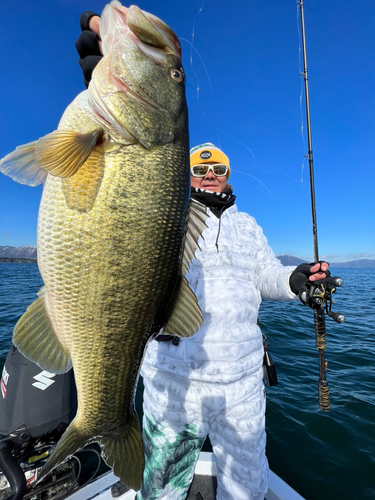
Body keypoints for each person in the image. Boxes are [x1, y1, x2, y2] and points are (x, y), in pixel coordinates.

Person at [76, 14, 329, 500]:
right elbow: (126, 203)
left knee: (247, 486)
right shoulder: (167, 208)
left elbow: (264, 276)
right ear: (186, 172)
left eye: (217, 170)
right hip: (174, 383)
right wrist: (106, 100)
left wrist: (294, 281)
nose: (209, 175)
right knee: (163, 487)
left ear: (227, 176)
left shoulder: (247, 225)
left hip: (241, 382)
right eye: (199, 168)